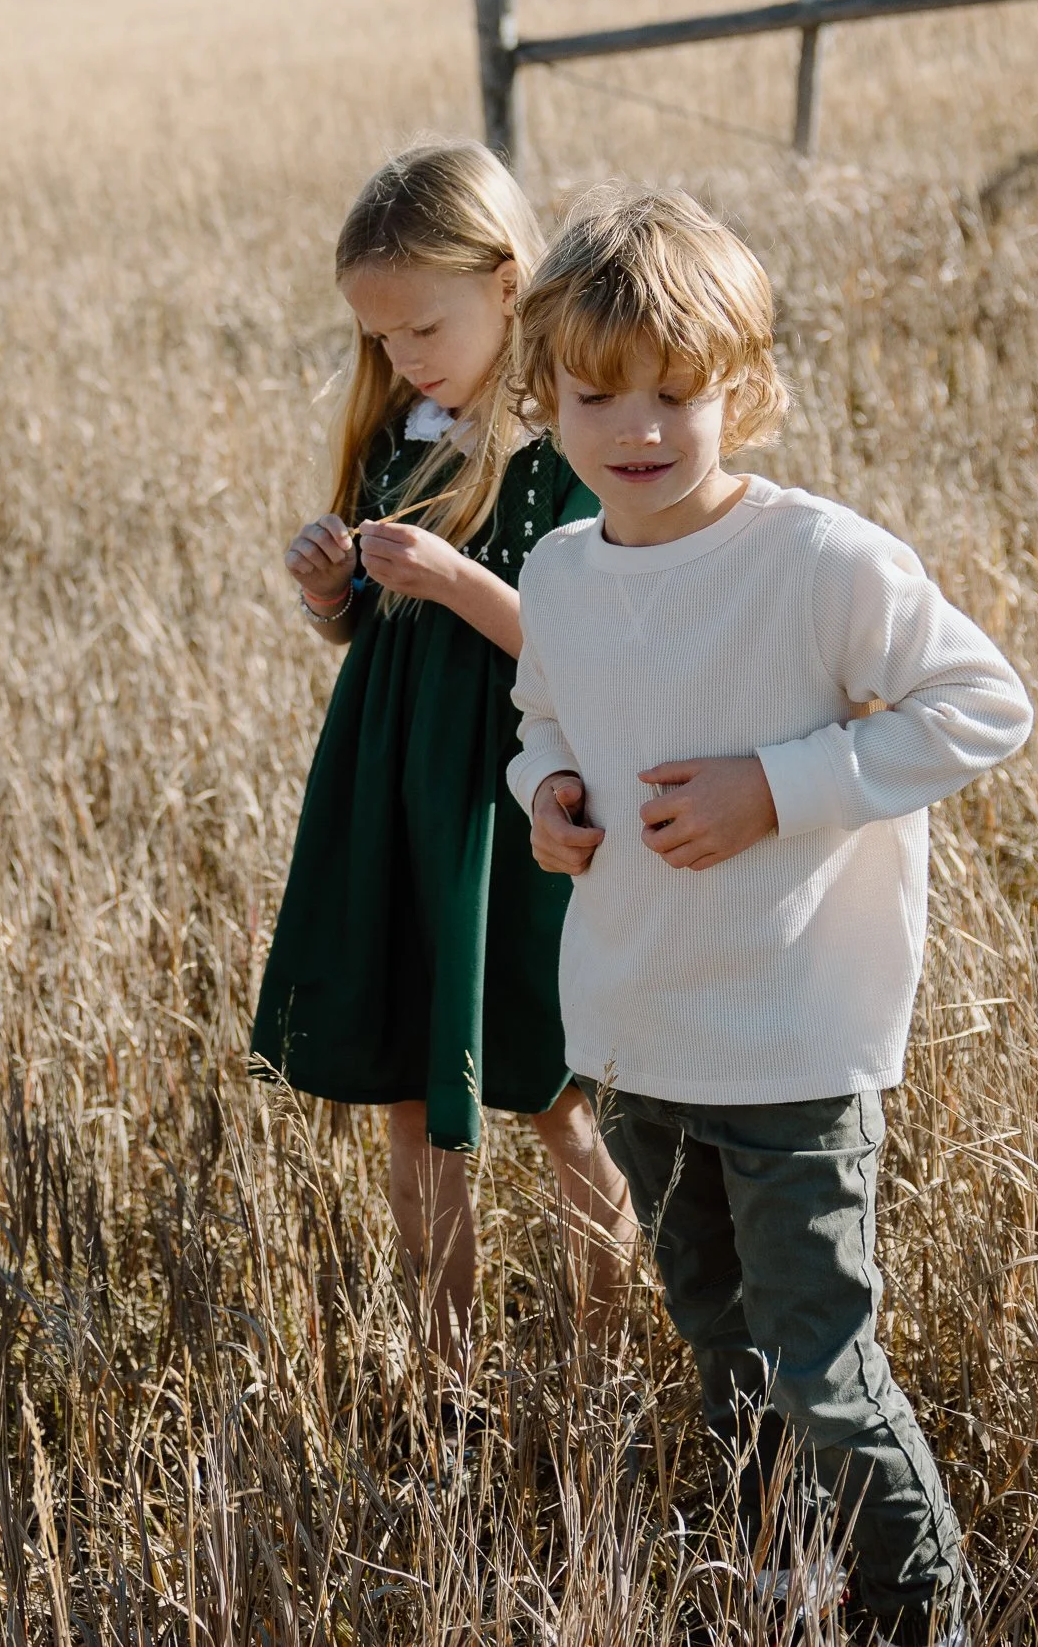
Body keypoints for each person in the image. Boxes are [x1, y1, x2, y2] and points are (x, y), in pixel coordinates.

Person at [505, 187, 1034, 1643]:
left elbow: (982, 706)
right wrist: (548, 792)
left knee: (822, 1369)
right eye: (597, 395)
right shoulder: (559, 571)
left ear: (741, 389)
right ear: (542, 398)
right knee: (721, 1351)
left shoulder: (818, 561)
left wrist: (777, 787)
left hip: (791, 1044)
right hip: (637, 1034)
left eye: (675, 392)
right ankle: (780, 1576)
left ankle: (919, 1611)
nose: (637, 428)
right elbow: (543, 718)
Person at [249, 141, 635, 1379]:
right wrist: (332, 595)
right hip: (396, 800)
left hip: (512, 803)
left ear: (508, 284)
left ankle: (601, 1361)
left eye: (424, 327)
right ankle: (445, 1371)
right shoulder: (401, 433)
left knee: (553, 1089)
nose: (404, 356)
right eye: (381, 337)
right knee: (416, 1096)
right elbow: (373, 632)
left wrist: (456, 577)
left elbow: (579, 651)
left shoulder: (567, 446)